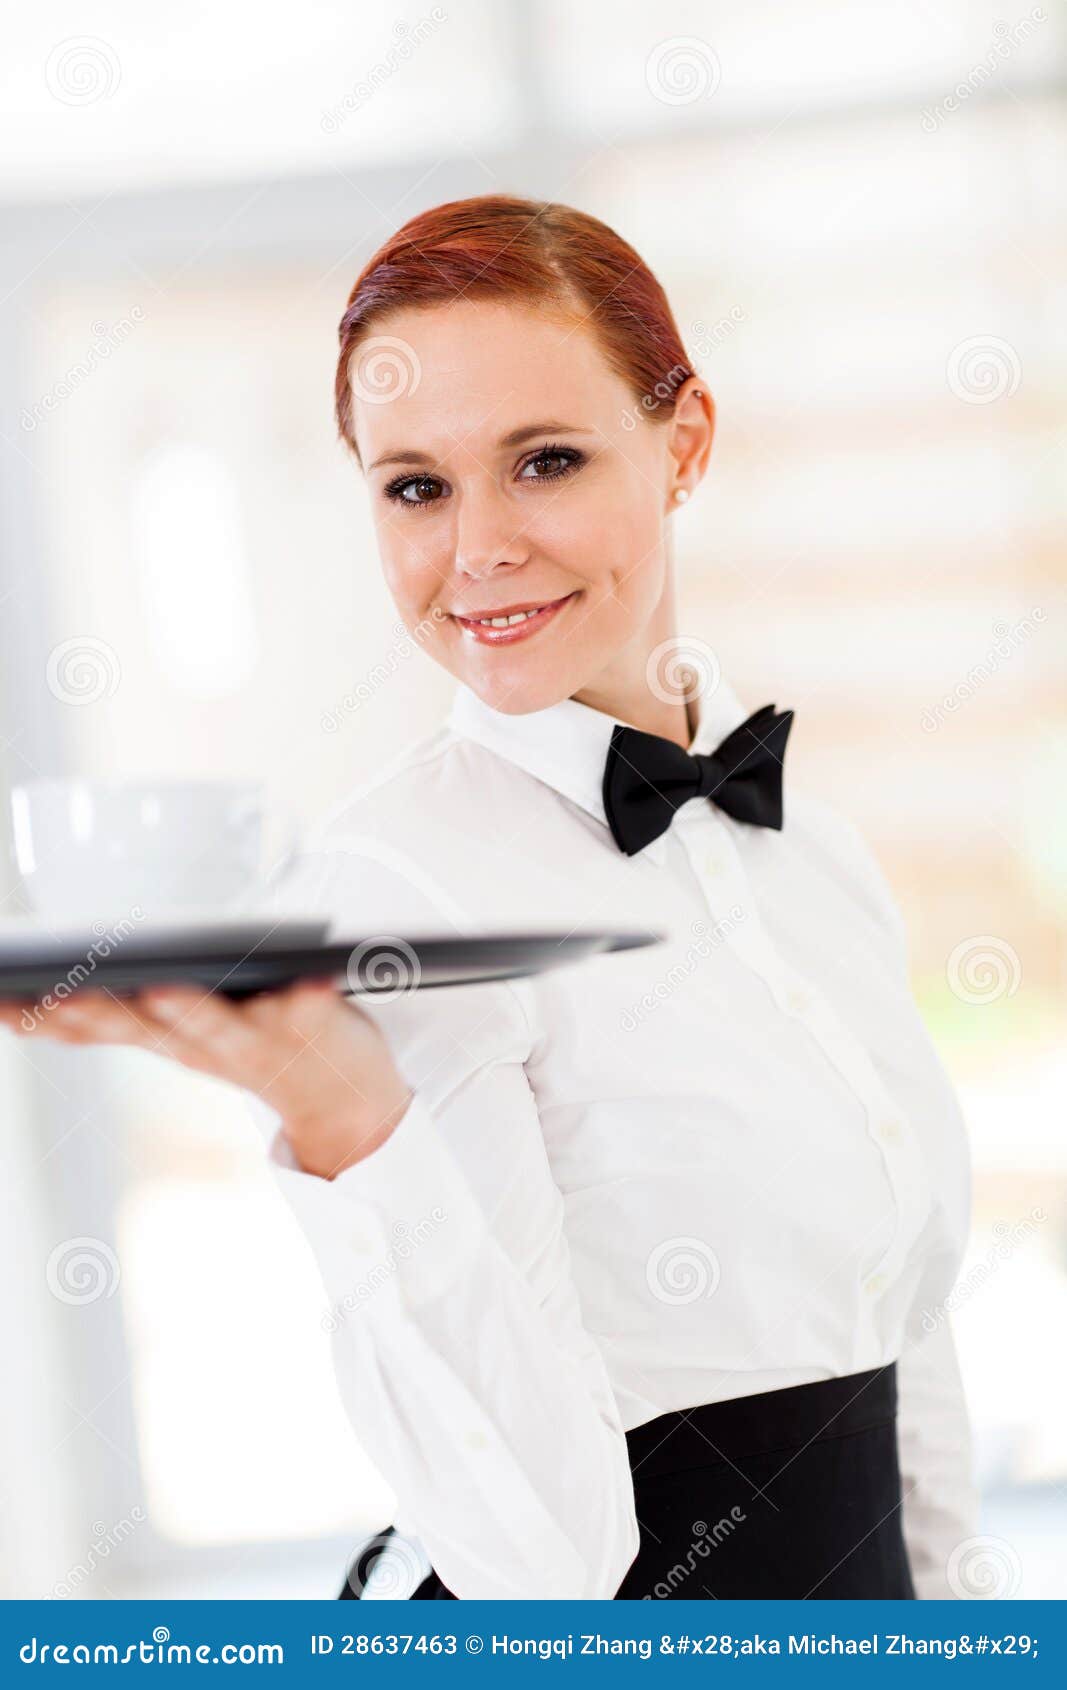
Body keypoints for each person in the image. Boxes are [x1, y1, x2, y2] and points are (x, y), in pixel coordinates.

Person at [0, 195, 976, 1601]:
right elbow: (537, 1567)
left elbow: (911, 1340)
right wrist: (345, 1117)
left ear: (684, 443)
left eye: (546, 461)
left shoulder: (814, 854)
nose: (478, 549)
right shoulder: (392, 893)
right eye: (417, 487)